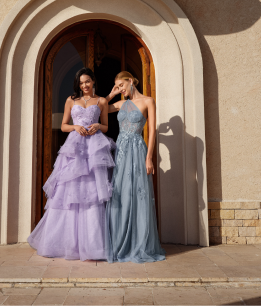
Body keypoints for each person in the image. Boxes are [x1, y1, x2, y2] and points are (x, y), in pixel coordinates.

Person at [28, 68, 115, 261]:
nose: (84, 85)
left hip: (94, 149)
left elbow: (107, 126)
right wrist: (75, 126)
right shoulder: (71, 100)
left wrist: (98, 126)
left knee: (91, 193)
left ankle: (92, 246)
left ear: (93, 81)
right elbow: (64, 125)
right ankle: (64, 243)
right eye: (81, 83)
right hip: (74, 148)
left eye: (87, 82)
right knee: (68, 192)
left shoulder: (101, 101)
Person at [105, 71, 165, 263]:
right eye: (118, 87)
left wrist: (149, 158)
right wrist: (111, 94)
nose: (121, 89)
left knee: (138, 194)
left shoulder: (148, 101)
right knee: (121, 193)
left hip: (138, 151)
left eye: (122, 85)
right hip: (121, 151)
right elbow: (100, 110)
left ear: (131, 81)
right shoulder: (121, 103)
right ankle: (120, 240)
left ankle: (139, 243)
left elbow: (153, 131)